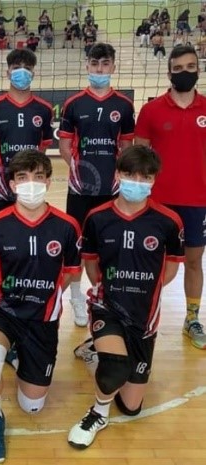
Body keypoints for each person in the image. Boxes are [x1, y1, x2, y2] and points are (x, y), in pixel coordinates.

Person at [67, 145, 184, 449]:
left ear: (154, 179)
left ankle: (99, 348)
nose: (138, 182)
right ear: (118, 174)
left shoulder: (169, 220)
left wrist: (145, 289)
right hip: (107, 305)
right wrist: (110, 289)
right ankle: (98, 413)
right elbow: (91, 265)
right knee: (115, 370)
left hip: (144, 315)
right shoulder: (97, 217)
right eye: (131, 175)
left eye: (146, 177)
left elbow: (171, 267)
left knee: (131, 406)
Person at [0, 149, 82, 463]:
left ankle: (16, 354)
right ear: (11, 184)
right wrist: (3, 295)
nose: (30, 183)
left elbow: (71, 273)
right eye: (22, 177)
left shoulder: (67, 226)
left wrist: (44, 296)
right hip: (3, 312)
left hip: (42, 319)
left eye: (38, 176)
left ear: (48, 181)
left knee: (32, 406)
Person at [58, 43, 135, 327]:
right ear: (87, 65)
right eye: (94, 63)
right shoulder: (74, 103)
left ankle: (104, 294)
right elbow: (65, 146)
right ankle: (77, 298)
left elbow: (126, 147)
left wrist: (117, 176)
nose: (99, 69)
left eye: (104, 64)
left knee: (108, 244)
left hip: (112, 189)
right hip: (80, 189)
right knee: (78, 244)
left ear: (113, 66)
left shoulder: (124, 105)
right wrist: (81, 171)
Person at [135, 45, 206, 350]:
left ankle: (192, 318)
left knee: (194, 261)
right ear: (169, 73)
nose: (184, 72)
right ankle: (140, 314)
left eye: (190, 67)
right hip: (158, 202)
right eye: (178, 68)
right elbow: (139, 157)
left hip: (198, 201)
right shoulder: (151, 110)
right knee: (149, 260)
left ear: (198, 70)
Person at [0, 48, 53, 215]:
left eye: (27, 68)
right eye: (16, 68)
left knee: (31, 225)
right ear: (8, 73)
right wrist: (1, 169)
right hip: (0, 185)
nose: (22, 72)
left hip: (31, 184)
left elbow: (42, 148)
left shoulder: (44, 109)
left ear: (33, 74)